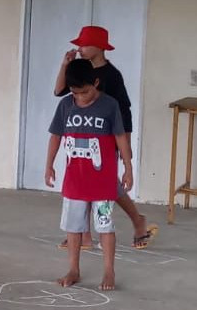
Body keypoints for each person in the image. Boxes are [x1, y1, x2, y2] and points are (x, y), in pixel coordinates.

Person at [52, 25, 158, 251]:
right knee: (87, 184)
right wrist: (65, 65)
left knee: (108, 185)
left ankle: (137, 220)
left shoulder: (112, 75)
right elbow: (59, 91)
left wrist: (126, 143)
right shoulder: (80, 70)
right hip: (83, 136)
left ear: (100, 47)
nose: (80, 49)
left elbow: (124, 111)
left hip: (108, 138)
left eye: (84, 45)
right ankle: (84, 234)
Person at [45, 59, 131, 291]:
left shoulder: (110, 105)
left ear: (96, 83)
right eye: (75, 93)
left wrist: (128, 167)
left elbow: (120, 136)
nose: (80, 98)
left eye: (85, 92)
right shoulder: (65, 105)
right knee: (73, 227)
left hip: (102, 183)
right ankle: (73, 269)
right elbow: (56, 136)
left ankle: (109, 271)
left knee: (105, 226)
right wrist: (49, 165)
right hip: (75, 182)